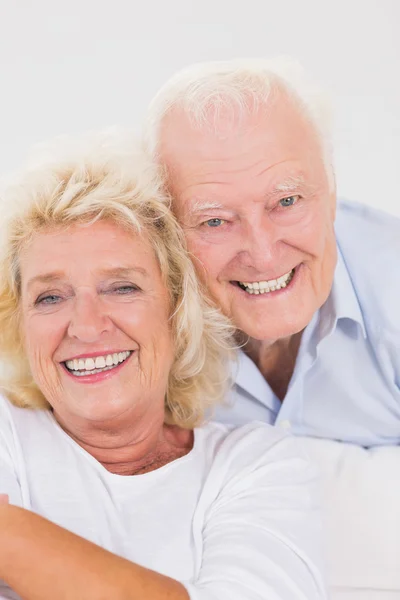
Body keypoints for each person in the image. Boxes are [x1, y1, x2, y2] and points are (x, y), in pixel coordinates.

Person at [0, 134, 327, 600]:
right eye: (50, 297)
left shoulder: (254, 463)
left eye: (122, 288)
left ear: (178, 312)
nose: (87, 327)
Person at [144, 57, 400, 447]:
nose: (262, 255)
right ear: (166, 227)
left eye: (287, 201)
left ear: (331, 190)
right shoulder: (133, 325)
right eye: (214, 221)